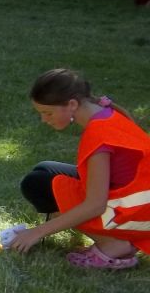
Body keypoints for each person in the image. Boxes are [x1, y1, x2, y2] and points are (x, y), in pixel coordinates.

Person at [11, 69, 150, 269]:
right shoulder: (109, 114)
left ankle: (113, 245)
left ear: (72, 104)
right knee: (44, 170)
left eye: (48, 113)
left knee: (36, 185)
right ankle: (111, 237)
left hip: (135, 215)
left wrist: (37, 232)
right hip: (141, 207)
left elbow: (95, 206)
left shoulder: (98, 136)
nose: (44, 119)